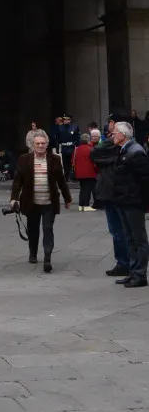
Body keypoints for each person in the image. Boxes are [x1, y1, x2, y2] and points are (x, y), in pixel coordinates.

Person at [10, 129, 71, 272]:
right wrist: (14, 198)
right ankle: (33, 253)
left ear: (47, 144)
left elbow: (61, 180)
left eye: (43, 143)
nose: (41, 146)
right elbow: (18, 181)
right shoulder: (24, 159)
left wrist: (67, 198)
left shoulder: (54, 159)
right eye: (38, 143)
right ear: (33, 145)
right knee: (33, 229)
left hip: (49, 201)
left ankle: (47, 258)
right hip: (31, 201)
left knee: (48, 229)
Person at [111, 120, 149, 288]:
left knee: (138, 239)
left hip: (134, 201)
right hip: (124, 201)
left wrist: (144, 202)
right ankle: (133, 272)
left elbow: (145, 179)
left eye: (114, 133)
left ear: (122, 135)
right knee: (130, 238)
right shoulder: (124, 149)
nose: (112, 136)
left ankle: (140, 274)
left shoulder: (136, 152)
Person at [92, 129, 130, 277]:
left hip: (118, 196)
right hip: (110, 195)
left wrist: (109, 140)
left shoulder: (125, 152)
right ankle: (124, 262)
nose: (111, 136)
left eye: (114, 133)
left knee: (121, 232)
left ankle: (125, 263)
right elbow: (95, 152)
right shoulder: (111, 152)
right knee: (117, 232)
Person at [72, 132, 98, 210]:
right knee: (88, 189)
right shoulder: (91, 149)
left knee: (82, 189)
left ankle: (81, 205)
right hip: (89, 173)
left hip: (79, 173)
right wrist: (97, 170)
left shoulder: (77, 149)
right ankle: (86, 206)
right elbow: (94, 163)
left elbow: (72, 161)